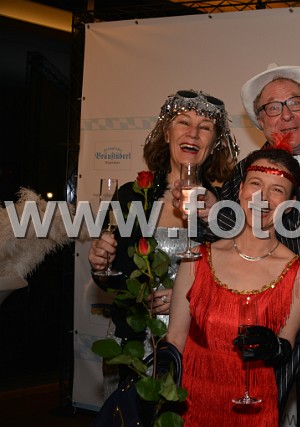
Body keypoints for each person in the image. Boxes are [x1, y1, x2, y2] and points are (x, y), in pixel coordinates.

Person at [177, 64, 300, 426]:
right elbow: (216, 241)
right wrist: (206, 215)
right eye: (272, 108)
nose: (285, 115)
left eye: (295, 102)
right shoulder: (243, 172)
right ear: (259, 121)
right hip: (265, 330)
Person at [88, 89, 237, 397]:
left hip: (196, 344)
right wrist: (100, 265)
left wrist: (188, 299)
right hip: (131, 343)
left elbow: (233, 284)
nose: (193, 133)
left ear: (214, 144)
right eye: (184, 122)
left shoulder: (224, 206)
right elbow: (111, 279)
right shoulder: (130, 195)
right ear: (167, 134)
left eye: (205, 127)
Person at [166, 147, 300, 426]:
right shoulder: (197, 259)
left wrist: (274, 347)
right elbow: (174, 340)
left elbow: (286, 345)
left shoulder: (298, 273)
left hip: (254, 411)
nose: (262, 198)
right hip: (191, 406)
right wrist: (161, 396)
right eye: (256, 184)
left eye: (277, 190)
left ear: (291, 204)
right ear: (241, 190)